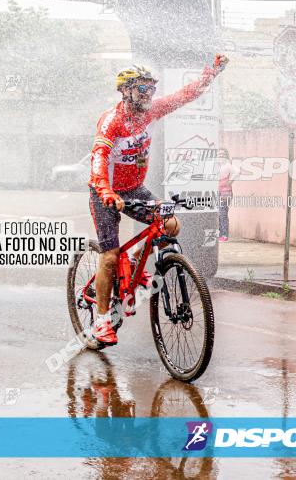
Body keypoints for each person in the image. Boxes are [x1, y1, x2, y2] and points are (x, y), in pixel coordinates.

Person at [89, 55, 228, 345]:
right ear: (126, 91)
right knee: (111, 256)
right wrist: (105, 191)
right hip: (107, 191)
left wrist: (210, 73)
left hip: (134, 187)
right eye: (142, 89)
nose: (149, 95)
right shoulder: (111, 121)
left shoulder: (151, 112)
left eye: (151, 89)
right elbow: (99, 158)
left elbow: (184, 95)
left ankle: (139, 263)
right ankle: (101, 322)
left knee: (170, 224)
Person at [217, 149, 235, 242]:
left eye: (223, 154)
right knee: (219, 214)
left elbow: (236, 173)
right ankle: (220, 234)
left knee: (223, 214)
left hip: (226, 193)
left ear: (226, 156)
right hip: (218, 193)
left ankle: (224, 235)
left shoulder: (228, 165)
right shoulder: (219, 166)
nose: (221, 156)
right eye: (219, 154)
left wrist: (229, 182)